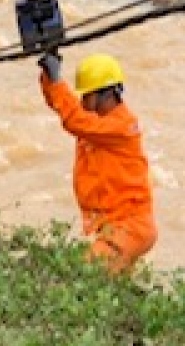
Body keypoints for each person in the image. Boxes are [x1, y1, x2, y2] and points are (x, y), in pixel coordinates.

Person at [38, 51, 156, 274]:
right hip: (118, 227)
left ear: (106, 94)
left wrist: (57, 80)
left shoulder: (120, 126)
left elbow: (74, 120)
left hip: (129, 228)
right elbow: (64, 107)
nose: (82, 101)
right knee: (112, 289)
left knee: (86, 276)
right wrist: (48, 78)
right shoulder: (98, 122)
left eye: (87, 96)